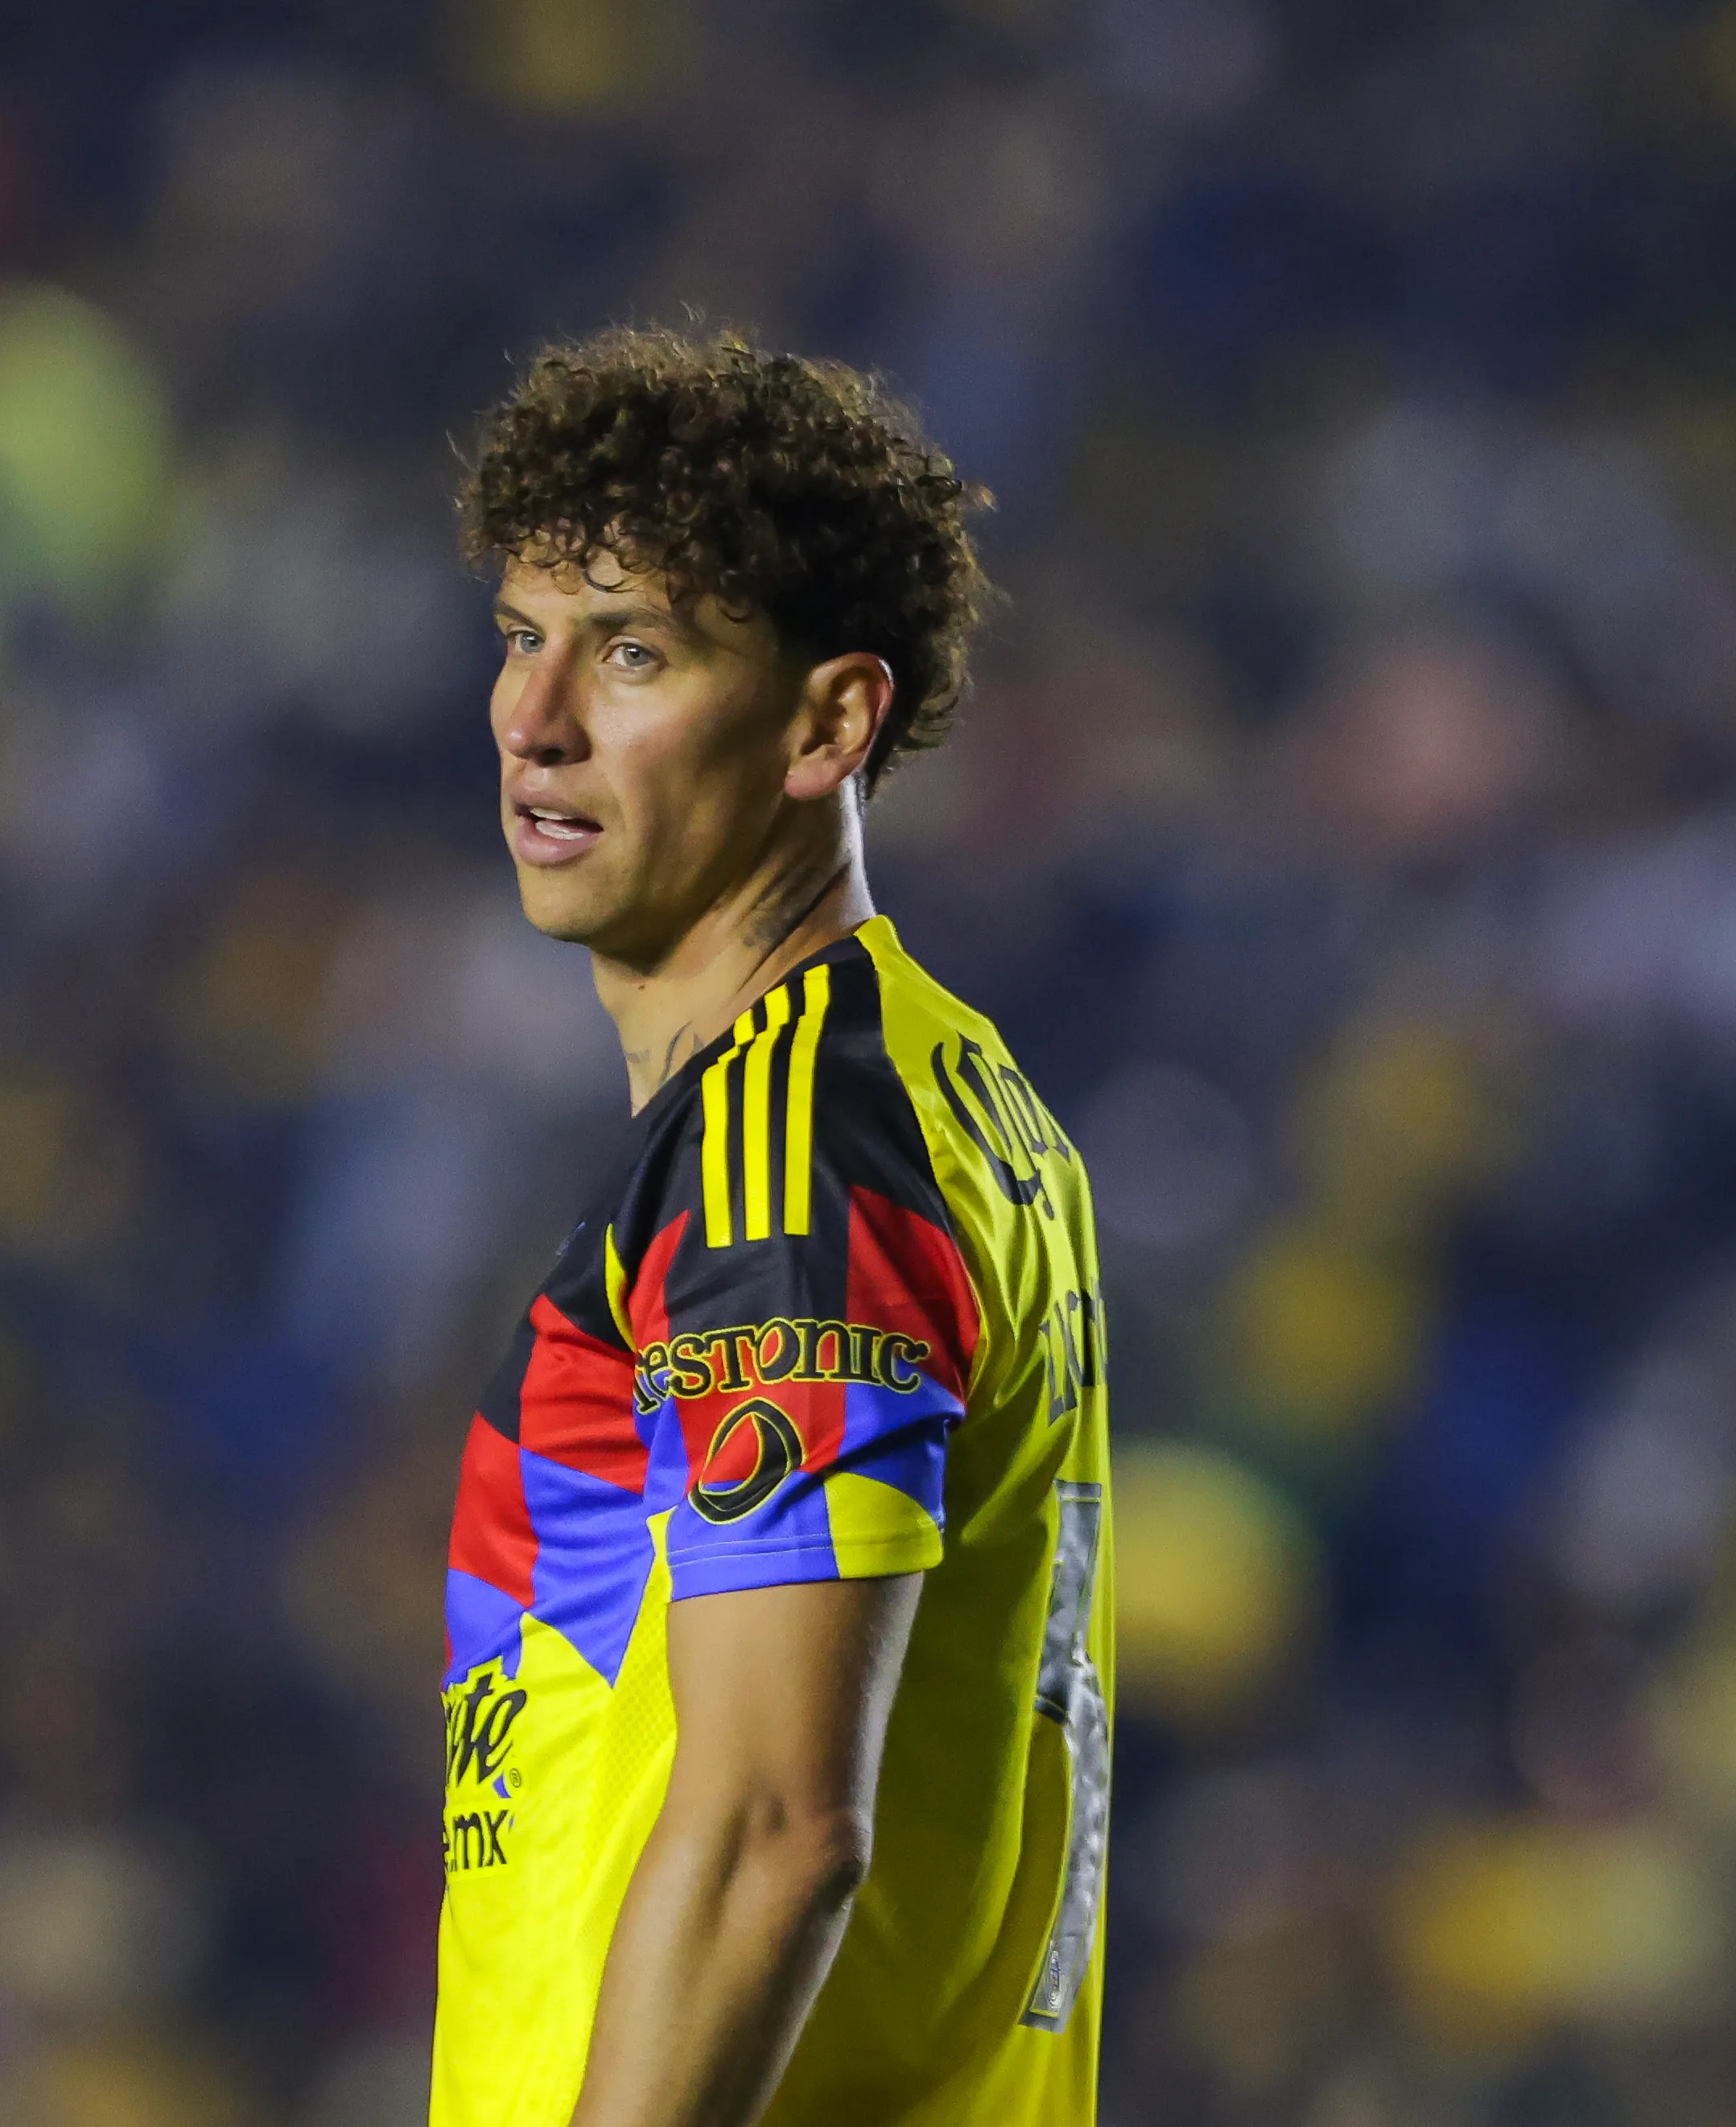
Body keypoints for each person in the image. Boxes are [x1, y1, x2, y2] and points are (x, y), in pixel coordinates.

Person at [434, 328, 1111, 2127]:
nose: (534, 716)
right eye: (521, 635)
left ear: (827, 720)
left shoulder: (784, 1147)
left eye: (632, 652)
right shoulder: (947, 1093)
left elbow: (770, 1832)